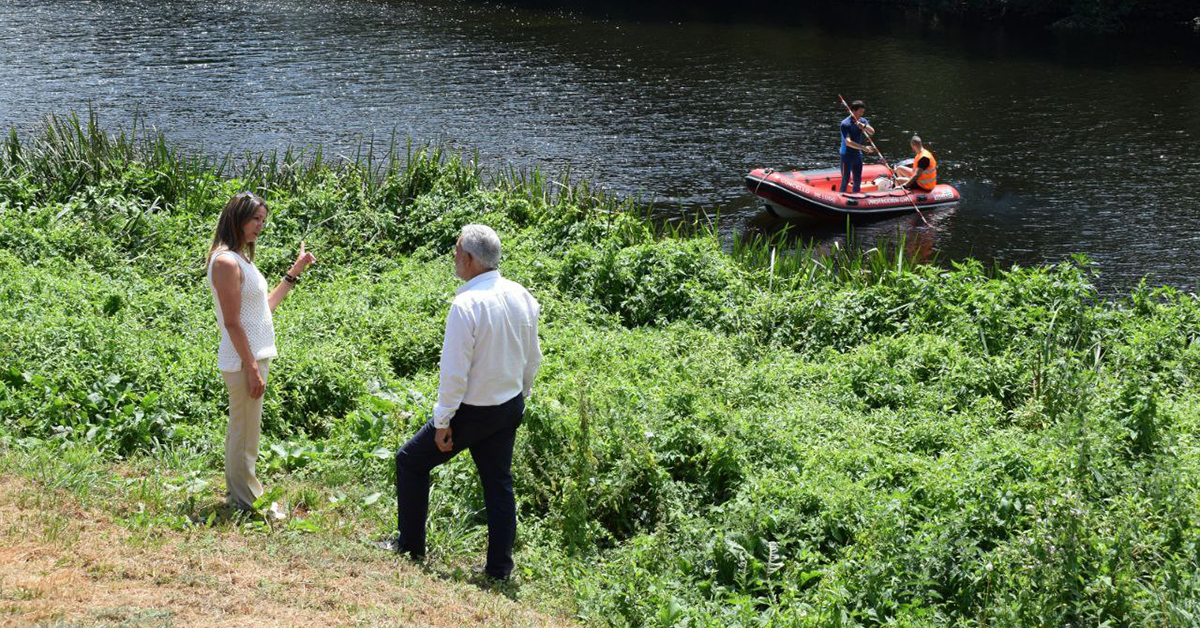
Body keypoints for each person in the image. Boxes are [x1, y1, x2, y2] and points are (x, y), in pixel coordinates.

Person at [384, 224, 542, 581]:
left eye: (456, 252)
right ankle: (499, 569)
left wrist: (443, 422)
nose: (454, 258)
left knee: (410, 462)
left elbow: (455, 373)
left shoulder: (466, 303)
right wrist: (523, 394)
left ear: (469, 259)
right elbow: (533, 356)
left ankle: (410, 547)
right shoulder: (521, 294)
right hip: (509, 404)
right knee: (499, 483)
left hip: (473, 411)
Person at [206, 191, 315, 513]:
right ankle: (247, 502)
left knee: (245, 430)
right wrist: (250, 366)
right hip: (243, 359)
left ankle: (241, 496)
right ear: (236, 217)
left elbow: (262, 310)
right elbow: (232, 322)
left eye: (263, 220)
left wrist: (293, 273)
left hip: (252, 356)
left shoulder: (241, 259)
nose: (259, 226)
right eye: (255, 218)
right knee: (244, 433)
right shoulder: (226, 261)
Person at [839, 100, 876, 193]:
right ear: (854, 111)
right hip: (846, 156)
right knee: (845, 180)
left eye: (863, 111)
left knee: (857, 180)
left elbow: (872, 132)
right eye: (861, 111)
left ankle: (856, 197)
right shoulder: (845, 124)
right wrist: (864, 148)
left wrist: (863, 126)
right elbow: (848, 142)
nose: (862, 113)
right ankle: (841, 197)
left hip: (857, 155)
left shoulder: (862, 120)